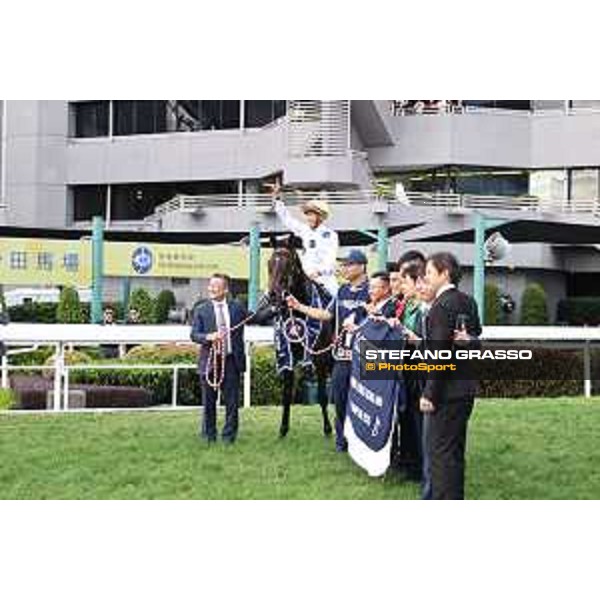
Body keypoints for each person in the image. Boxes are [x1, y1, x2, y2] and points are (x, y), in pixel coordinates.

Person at [286, 249, 370, 452]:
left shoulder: (372, 289)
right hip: (342, 356)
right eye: (344, 265)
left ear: (361, 266)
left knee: (365, 403)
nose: (344, 268)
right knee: (339, 399)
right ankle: (342, 442)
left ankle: (364, 443)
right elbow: (326, 314)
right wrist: (299, 307)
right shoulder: (341, 291)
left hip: (366, 356)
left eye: (349, 264)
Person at [420, 252, 482, 500]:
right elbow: (474, 337)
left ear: (444, 273)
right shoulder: (469, 301)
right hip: (465, 390)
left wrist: (429, 393)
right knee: (454, 452)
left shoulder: (441, 305)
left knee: (440, 454)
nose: (425, 279)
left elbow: (439, 355)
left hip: (445, 392)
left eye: (428, 273)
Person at [190, 273, 250, 444]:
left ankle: (229, 437)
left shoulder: (237, 307)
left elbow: (256, 317)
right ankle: (209, 436)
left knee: (232, 403)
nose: (211, 288)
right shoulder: (201, 309)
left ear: (225, 289)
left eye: (216, 285)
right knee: (209, 402)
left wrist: (277, 307)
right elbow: (194, 335)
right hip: (210, 362)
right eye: (210, 285)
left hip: (231, 361)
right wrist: (209, 337)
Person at [268, 180, 339, 297]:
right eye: (308, 215)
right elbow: (287, 219)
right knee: (273, 290)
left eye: (312, 215)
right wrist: (277, 199)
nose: (309, 218)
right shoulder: (304, 230)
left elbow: (330, 260)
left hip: (323, 279)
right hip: (303, 276)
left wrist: (319, 272)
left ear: (320, 217)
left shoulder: (331, 235)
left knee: (335, 297)